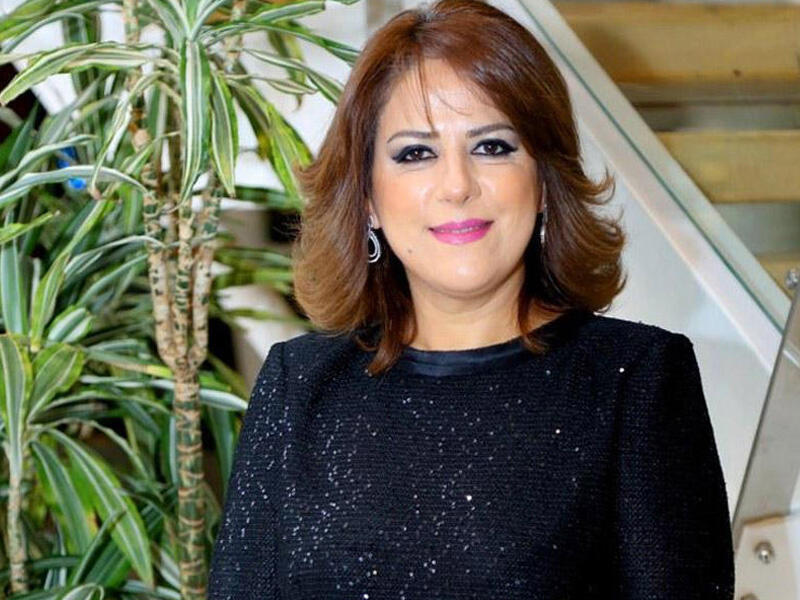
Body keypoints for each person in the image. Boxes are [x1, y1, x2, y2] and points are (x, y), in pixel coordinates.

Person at [206, 0, 735, 598]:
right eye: (415, 153)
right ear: (369, 200)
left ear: (544, 182)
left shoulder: (635, 381)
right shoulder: (298, 384)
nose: (457, 185)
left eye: (492, 147)